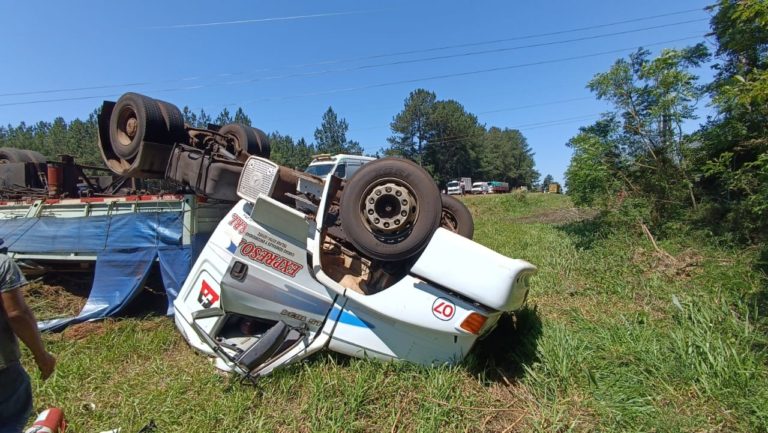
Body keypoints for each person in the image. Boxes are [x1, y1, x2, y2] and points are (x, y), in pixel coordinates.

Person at [0, 241, 56, 433]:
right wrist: (41, 355)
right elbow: (17, 314)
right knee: (11, 415)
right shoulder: (2, 264)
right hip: (3, 368)